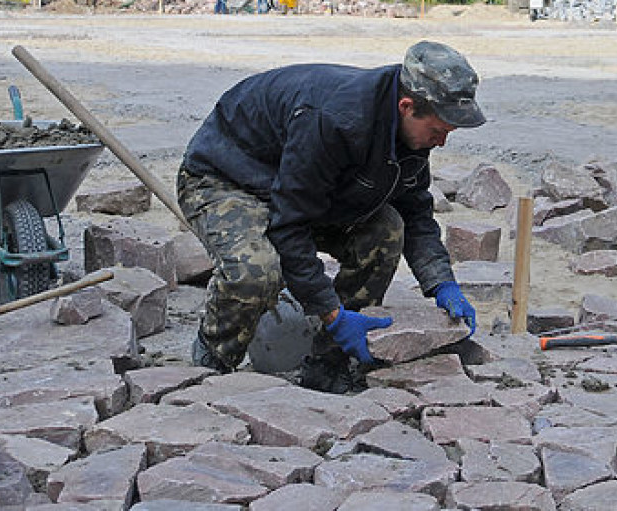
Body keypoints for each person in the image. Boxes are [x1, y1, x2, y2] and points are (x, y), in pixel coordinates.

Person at [176, 40, 485, 392]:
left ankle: (327, 365)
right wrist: (331, 312)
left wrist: (442, 282)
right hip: (227, 178)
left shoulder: (408, 131)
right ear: (407, 106)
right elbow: (290, 225)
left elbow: (414, 209)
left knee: (385, 232)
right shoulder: (336, 119)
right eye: (438, 131)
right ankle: (211, 365)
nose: (441, 142)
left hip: (296, 185)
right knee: (256, 271)